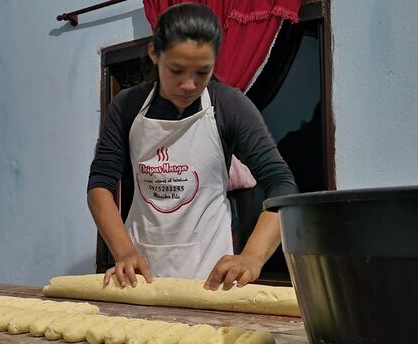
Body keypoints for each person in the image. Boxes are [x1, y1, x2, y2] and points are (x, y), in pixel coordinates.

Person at [86, 3, 298, 291]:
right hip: (139, 277)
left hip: (211, 279)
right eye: (176, 70)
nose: (189, 84)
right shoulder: (127, 106)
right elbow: (100, 184)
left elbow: (281, 184)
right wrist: (124, 252)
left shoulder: (229, 105)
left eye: (202, 72)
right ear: (154, 55)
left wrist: (251, 257)